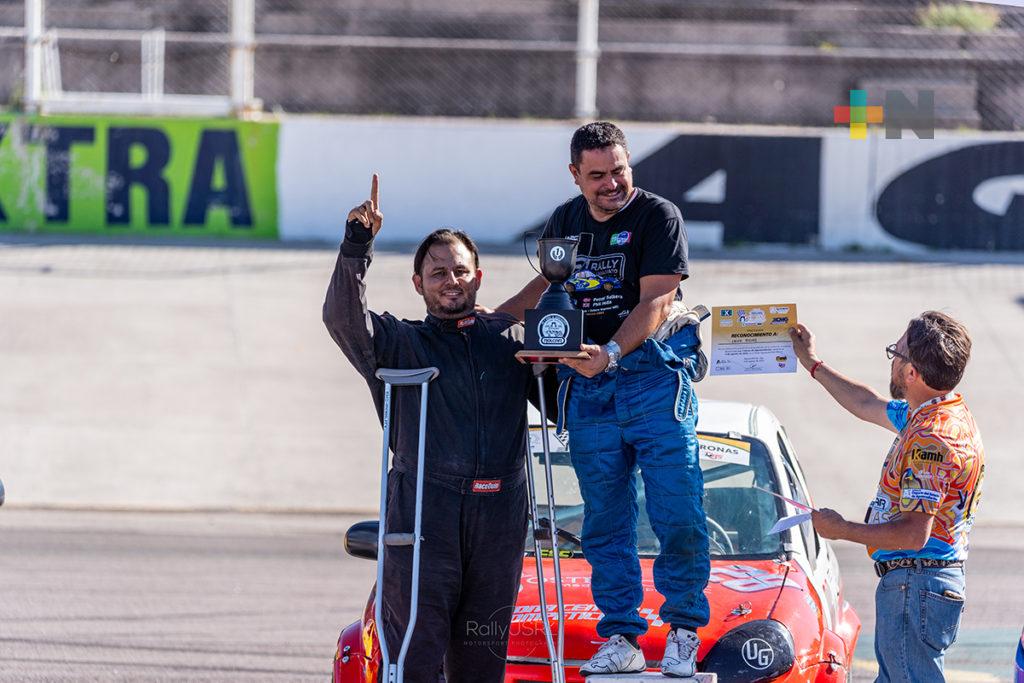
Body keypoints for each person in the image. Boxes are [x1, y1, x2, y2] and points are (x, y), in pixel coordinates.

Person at [499, 122, 709, 677]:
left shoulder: (658, 216)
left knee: (678, 510)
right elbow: (544, 294)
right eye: (597, 175)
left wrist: (612, 353)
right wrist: (484, 324)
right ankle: (623, 635)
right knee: (605, 522)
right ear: (576, 176)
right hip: (585, 390)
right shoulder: (564, 221)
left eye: (619, 170)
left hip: (651, 379)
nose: (611, 183)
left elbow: (659, 300)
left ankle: (684, 631)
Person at [323, 174, 534, 682]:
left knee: (482, 660)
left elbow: (569, 392)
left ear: (479, 277)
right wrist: (357, 245)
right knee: (416, 654)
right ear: (419, 284)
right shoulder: (400, 342)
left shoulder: (510, 339)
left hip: (499, 513)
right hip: (425, 510)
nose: (450, 281)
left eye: (459, 271)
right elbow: (343, 319)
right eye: (437, 273)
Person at [789, 313, 984, 683]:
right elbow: (867, 404)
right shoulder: (933, 411)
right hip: (920, 585)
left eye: (897, 352)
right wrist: (813, 364)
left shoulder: (932, 438)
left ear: (912, 373)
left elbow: (913, 534)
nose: (892, 359)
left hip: (916, 584)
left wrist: (841, 528)